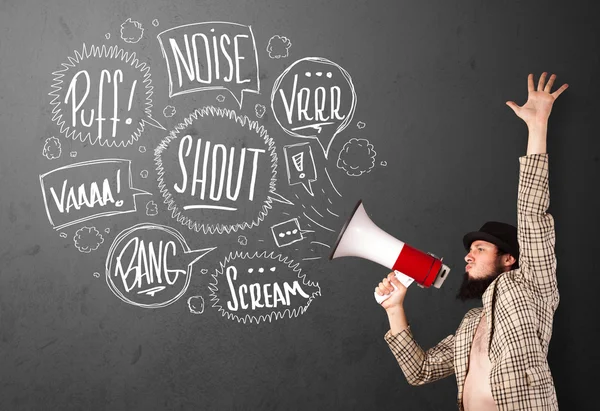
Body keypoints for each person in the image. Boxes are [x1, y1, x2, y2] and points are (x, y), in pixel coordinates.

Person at [376, 72, 568, 411]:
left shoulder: (533, 286)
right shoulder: (470, 325)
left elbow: (532, 214)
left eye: (480, 248)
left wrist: (537, 126)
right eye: (469, 250)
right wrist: (395, 309)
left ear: (509, 258)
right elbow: (420, 371)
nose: (468, 256)